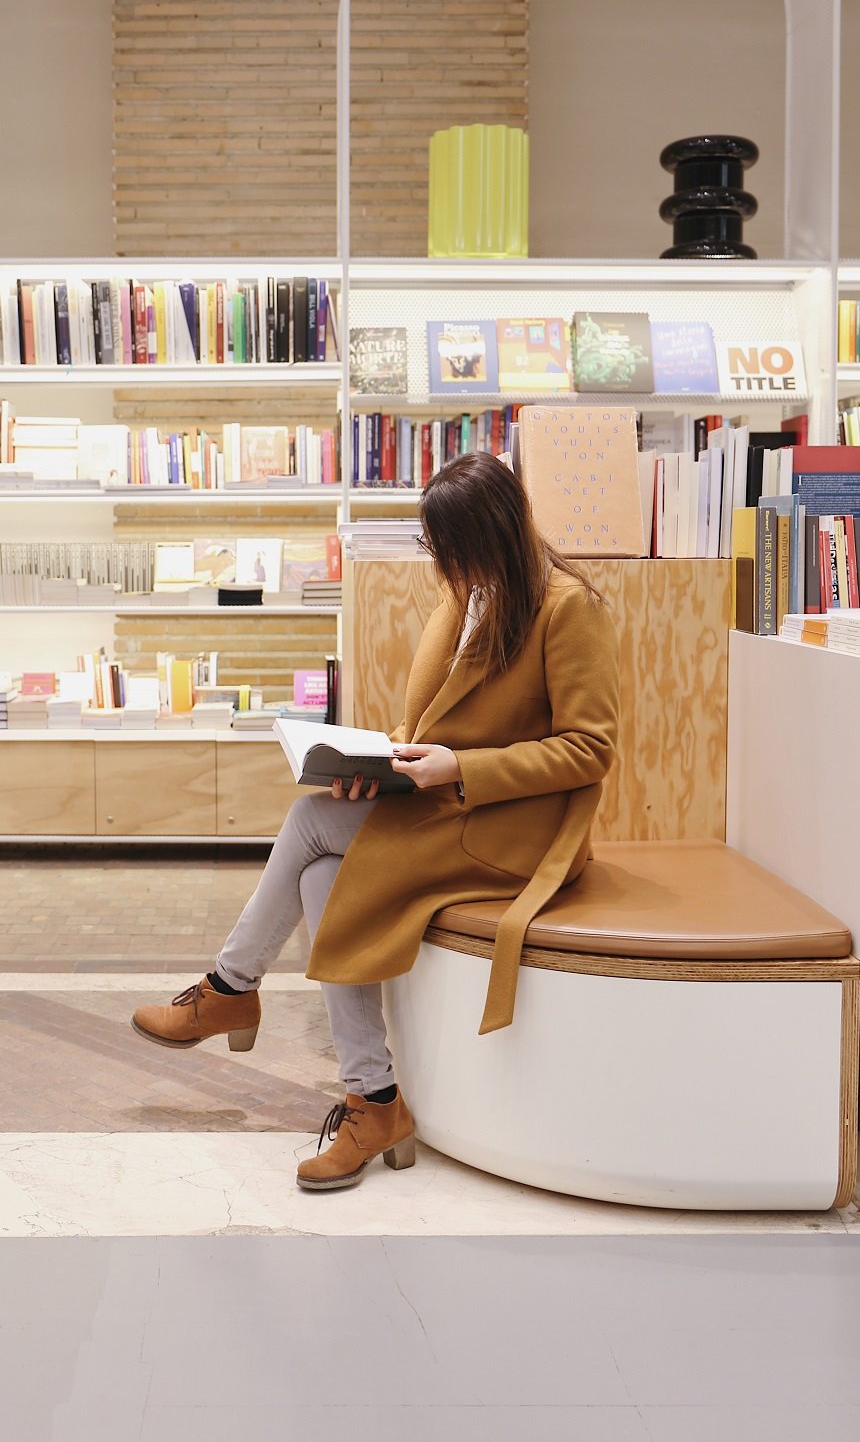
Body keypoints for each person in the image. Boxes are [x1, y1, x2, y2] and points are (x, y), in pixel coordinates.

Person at [131, 453, 620, 1192]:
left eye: (447, 549)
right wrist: (383, 763)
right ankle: (376, 1103)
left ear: (489, 538)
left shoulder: (566, 607)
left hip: (512, 828)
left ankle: (231, 985)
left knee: (307, 825)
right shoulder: (471, 596)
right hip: (445, 804)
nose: (440, 566)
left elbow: (590, 748)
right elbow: (433, 719)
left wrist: (459, 767)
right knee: (327, 876)